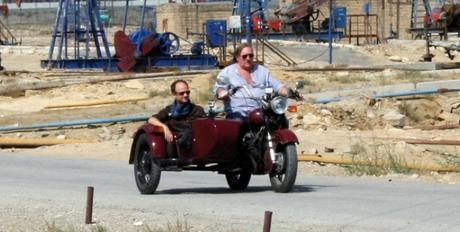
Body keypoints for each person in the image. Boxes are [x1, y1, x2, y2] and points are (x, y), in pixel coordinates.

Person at [213, 43, 297, 120]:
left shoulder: (262, 71)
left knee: (279, 120)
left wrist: (290, 93)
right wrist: (221, 92)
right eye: (244, 56)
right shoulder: (227, 72)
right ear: (237, 57)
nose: (248, 58)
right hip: (238, 112)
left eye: (251, 55)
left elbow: (277, 86)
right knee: (236, 125)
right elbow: (219, 88)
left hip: (261, 111)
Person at [148, 80, 205, 153]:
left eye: (187, 92)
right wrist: (164, 127)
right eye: (181, 93)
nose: (185, 95)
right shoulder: (169, 110)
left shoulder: (197, 110)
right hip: (175, 145)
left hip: (194, 144)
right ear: (174, 94)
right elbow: (152, 119)